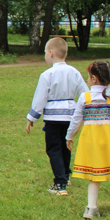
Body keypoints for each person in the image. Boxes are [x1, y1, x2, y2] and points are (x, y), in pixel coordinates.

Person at [66, 60, 110, 220]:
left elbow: (76, 120)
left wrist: (70, 136)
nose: (87, 79)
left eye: (88, 76)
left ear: (94, 78)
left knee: (94, 175)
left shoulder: (85, 97)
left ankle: (91, 208)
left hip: (91, 142)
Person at [25, 38, 88, 196]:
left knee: (54, 149)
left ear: (51, 53)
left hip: (53, 118)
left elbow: (40, 98)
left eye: (45, 52)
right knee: (66, 147)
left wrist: (32, 118)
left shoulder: (47, 74)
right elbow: (84, 94)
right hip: (70, 116)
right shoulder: (74, 72)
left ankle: (60, 184)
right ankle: (65, 175)